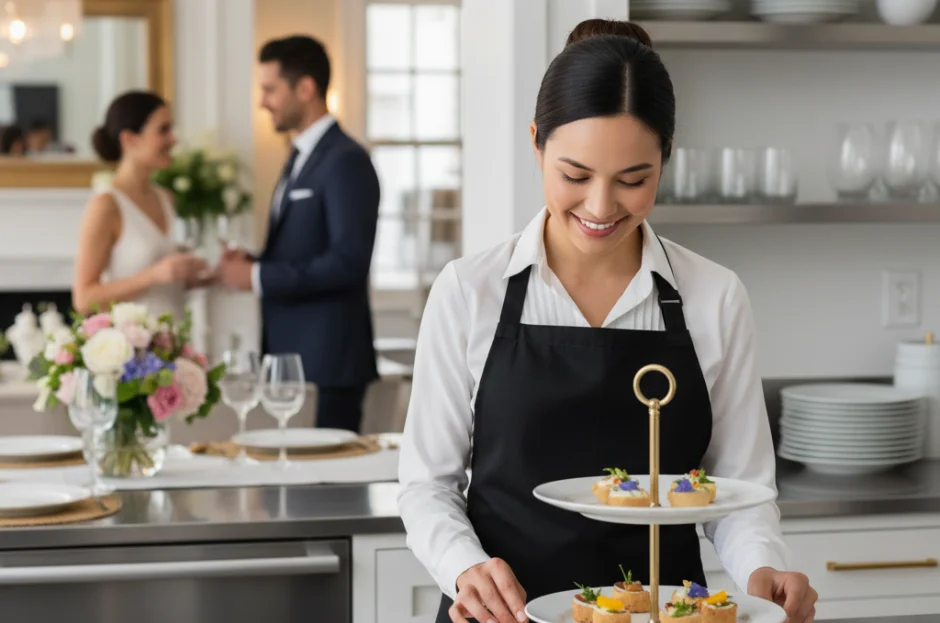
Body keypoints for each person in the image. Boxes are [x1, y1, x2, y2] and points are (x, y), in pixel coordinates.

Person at [398, 19, 818, 623]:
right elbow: (426, 484)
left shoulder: (714, 296)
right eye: (574, 175)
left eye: (633, 180)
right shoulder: (470, 291)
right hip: (501, 616)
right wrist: (464, 566)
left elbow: (739, 492)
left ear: (665, 161)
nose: (600, 206)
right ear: (536, 142)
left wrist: (763, 571)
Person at [218, 35, 381, 433]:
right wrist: (253, 263)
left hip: (329, 364)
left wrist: (257, 278)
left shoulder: (346, 160)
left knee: (326, 489)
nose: (263, 102)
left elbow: (348, 261)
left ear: (305, 88)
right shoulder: (298, 159)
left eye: (270, 89)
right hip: (294, 360)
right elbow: (306, 247)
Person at [73, 91, 208, 318]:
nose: (173, 139)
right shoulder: (106, 205)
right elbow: (84, 300)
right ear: (129, 139)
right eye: (163, 130)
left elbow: (163, 285)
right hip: (133, 347)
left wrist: (198, 275)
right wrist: (153, 275)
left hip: (174, 341)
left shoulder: (166, 198)